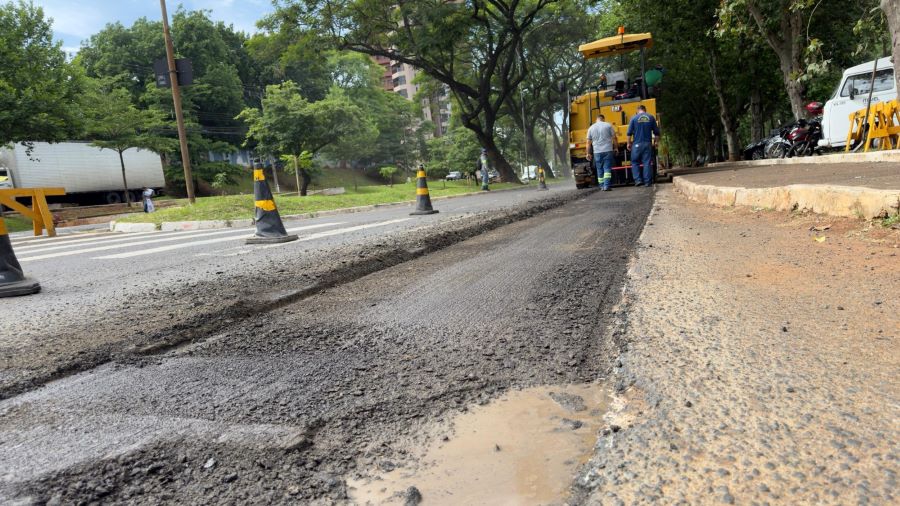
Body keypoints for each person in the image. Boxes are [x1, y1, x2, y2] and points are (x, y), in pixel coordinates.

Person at [626, 104, 660, 187]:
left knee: (634, 162)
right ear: (645, 110)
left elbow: (629, 133)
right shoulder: (651, 117)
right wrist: (656, 142)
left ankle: (638, 180)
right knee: (647, 163)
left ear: (638, 110)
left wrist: (628, 143)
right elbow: (656, 133)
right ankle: (647, 182)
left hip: (637, 144)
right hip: (647, 144)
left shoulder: (633, 118)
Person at [586, 114, 617, 191]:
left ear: (596, 119)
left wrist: (588, 153)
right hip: (607, 150)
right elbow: (614, 138)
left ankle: (601, 186)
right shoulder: (608, 125)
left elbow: (588, 142)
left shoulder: (591, 128)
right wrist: (616, 148)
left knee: (599, 169)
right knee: (607, 168)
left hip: (597, 152)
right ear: (603, 119)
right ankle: (606, 186)